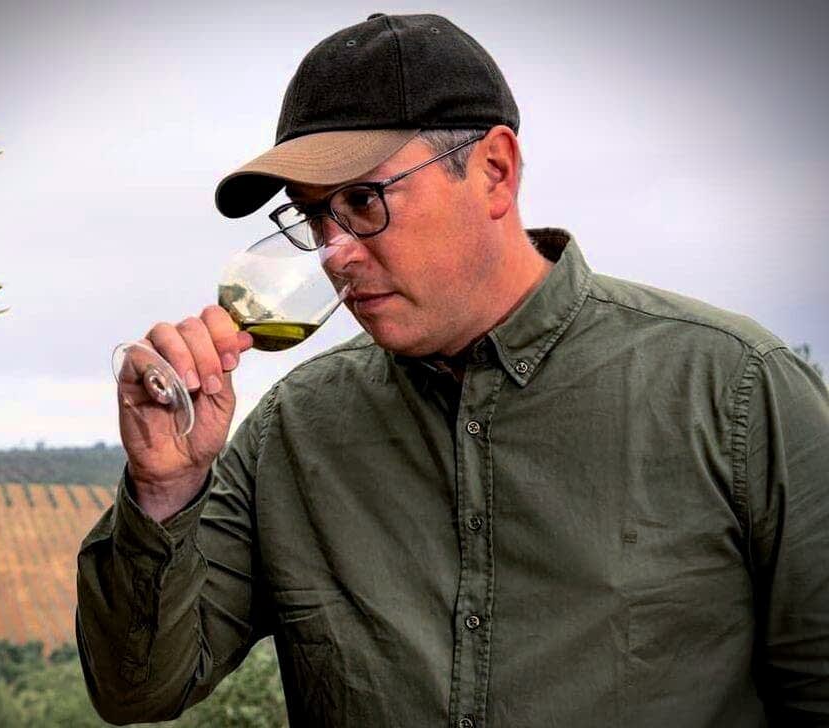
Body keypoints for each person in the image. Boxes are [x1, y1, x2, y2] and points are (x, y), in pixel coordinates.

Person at [76, 13, 829, 727]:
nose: (334, 251)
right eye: (312, 215)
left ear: (496, 171)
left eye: (363, 200)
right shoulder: (293, 428)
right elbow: (136, 689)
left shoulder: (735, 391)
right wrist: (166, 490)